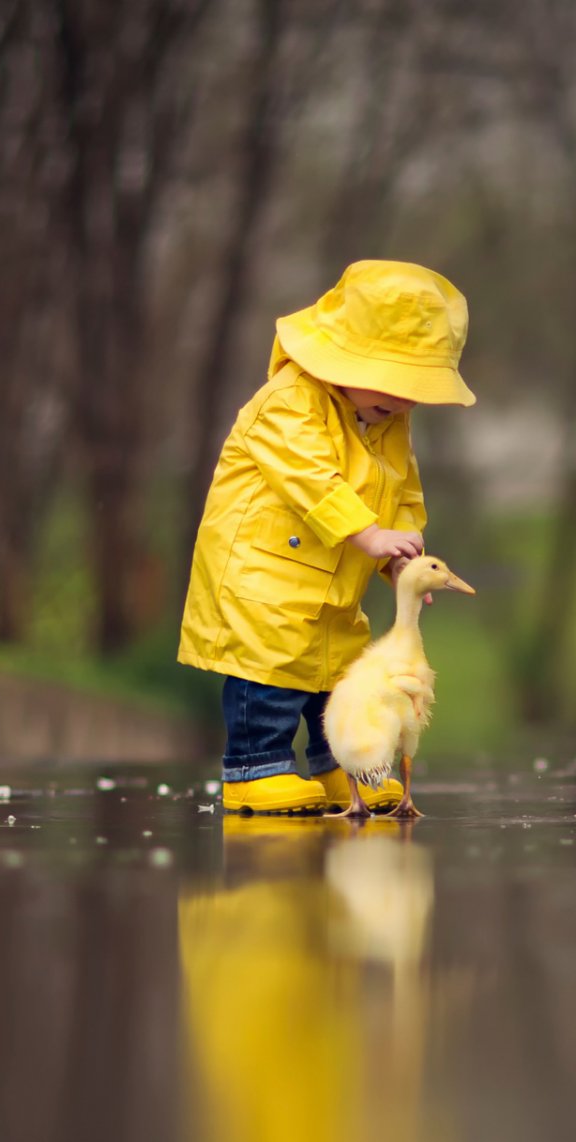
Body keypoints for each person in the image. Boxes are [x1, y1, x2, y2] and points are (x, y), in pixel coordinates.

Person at [177, 260, 475, 814]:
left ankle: (348, 768)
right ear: (340, 356)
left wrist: (399, 555)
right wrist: (366, 532)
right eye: (393, 383)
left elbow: (405, 492)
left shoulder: (385, 422)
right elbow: (311, 477)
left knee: (343, 680)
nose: (403, 402)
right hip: (264, 578)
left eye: (416, 391)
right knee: (269, 674)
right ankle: (253, 769)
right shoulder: (287, 401)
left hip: (336, 583)